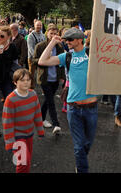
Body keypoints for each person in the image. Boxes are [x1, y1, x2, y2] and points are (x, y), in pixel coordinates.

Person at [38, 27, 98, 173]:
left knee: (87, 144)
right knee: (78, 146)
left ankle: (80, 161)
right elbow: (42, 61)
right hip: (73, 108)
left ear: (79, 40)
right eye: (66, 40)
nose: (68, 42)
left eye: (70, 39)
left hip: (91, 107)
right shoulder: (67, 56)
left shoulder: (92, 54)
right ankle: (82, 169)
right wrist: (52, 42)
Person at [2, 68, 44, 173]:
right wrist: (9, 142)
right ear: (15, 82)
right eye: (22, 80)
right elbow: (7, 123)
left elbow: (37, 114)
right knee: (23, 162)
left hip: (29, 134)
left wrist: (40, 130)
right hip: (17, 136)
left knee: (26, 161)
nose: (26, 82)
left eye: (28, 80)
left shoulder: (33, 94)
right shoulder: (11, 99)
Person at [32, 24, 65, 135]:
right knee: (51, 101)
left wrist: (62, 77)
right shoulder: (40, 46)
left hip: (55, 78)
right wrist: (46, 59)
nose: (53, 35)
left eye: (55, 34)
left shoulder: (60, 47)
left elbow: (62, 62)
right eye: (51, 33)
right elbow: (34, 60)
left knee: (48, 99)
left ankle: (40, 119)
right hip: (44, 78)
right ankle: (56, 124)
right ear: (47, 34)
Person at [27, 20, 46, 85]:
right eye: (37, 25)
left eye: (40, 25)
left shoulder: (43, 35)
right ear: (34, 26)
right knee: (31, 74)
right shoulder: (31, 35)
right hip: (32, 58)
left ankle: (41, 86)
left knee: (41, 73)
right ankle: (30, 87)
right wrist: (35, 57)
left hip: (41, 57)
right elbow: (30, 48)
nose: (39, 26)